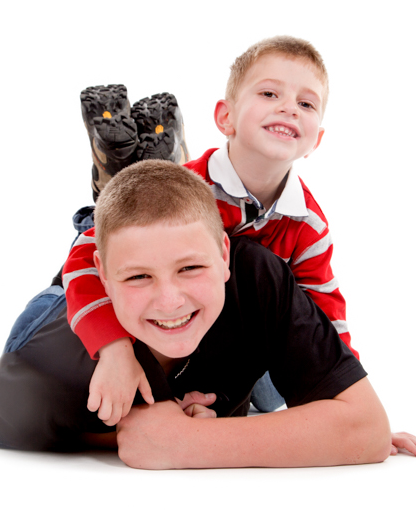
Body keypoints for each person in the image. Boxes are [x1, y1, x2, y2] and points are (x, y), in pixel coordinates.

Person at [0, 160, 416, 468]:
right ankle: (109, 211)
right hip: (54, 313)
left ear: (224, 253)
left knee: (271, 395)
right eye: (139, 277)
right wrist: (127, 435)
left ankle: (146, 194)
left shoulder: (255, 272)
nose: (170, 300)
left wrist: (188, 442)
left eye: (190, 268)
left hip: (209, 311)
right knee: (76, 277)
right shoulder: (54, 369)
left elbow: (366, 429)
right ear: (105, 276)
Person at [62, 36, 362, 425]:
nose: (289, 108)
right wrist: (113, 347)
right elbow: (84, 259)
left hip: (232, 323)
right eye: (270, 94)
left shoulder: (309, 226)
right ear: (226, 118)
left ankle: (144, 169)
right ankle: (124, 182)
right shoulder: (188, 193)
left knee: (270, 396)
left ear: (315, 140)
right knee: (120, 236)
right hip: (179, 300)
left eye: (306, 104)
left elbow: (325, 315)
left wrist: (351, 400)